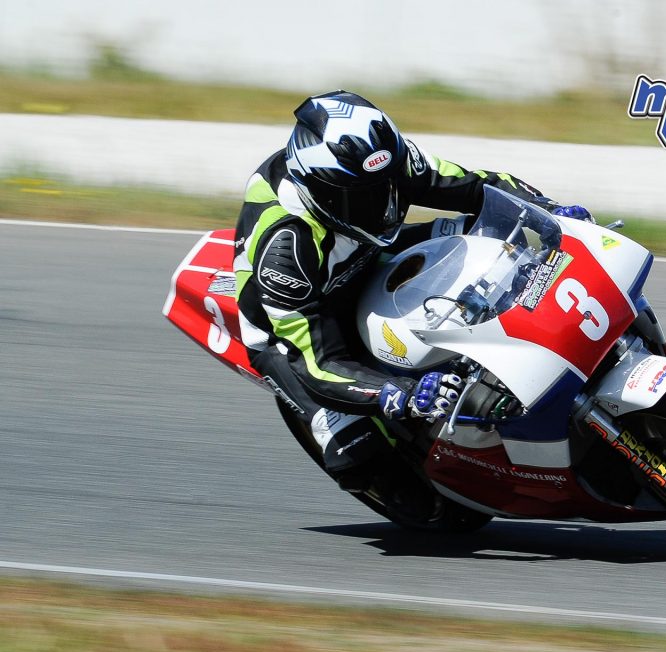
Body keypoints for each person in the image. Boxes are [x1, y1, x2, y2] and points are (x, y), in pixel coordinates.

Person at [233, 90, 591, 487]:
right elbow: (317, 363)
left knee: (478, 237)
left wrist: (548, 210)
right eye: (363, 198)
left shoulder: (391, 163)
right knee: (356, 451)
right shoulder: (288, 247)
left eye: (388, 186)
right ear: (320, 191)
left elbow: (475, 187)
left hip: (364, 251)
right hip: (303, 319)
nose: (385, 205)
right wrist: (399, 392)